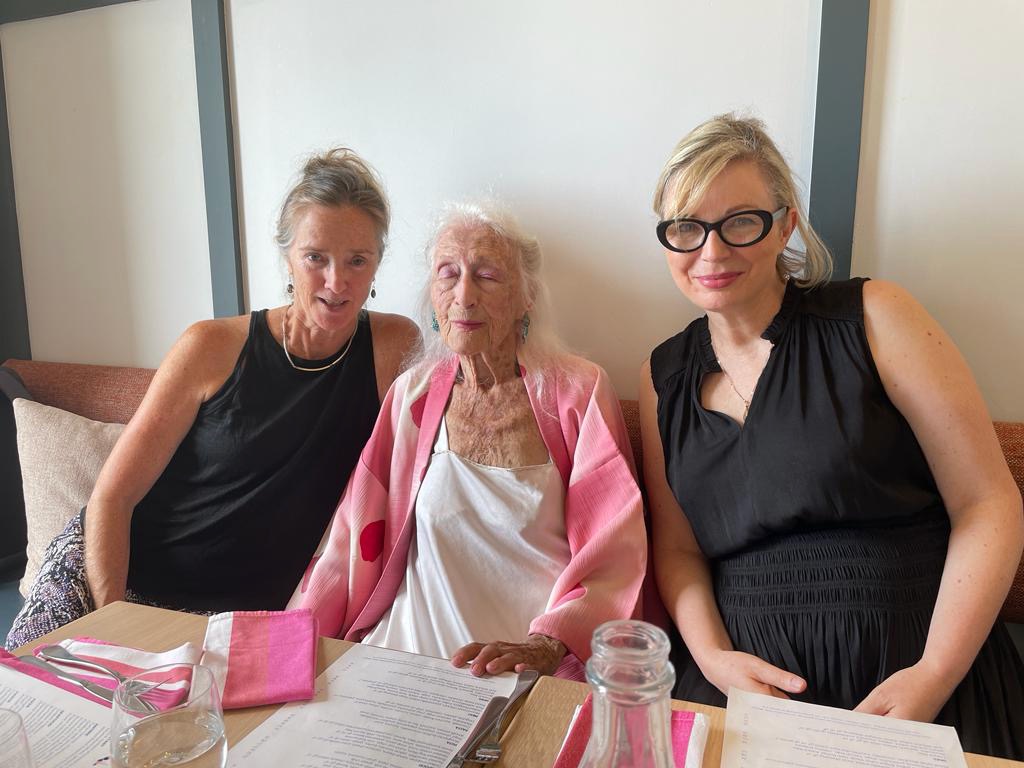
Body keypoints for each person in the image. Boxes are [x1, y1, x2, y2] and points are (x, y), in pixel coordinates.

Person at [640, 114, 1024, 759]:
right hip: (743, 689)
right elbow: (678, 551)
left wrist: (932, 675)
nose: (711, 251)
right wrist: (713, 658)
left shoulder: (874, 316)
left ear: (786, 223)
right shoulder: (663, 377)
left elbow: (988, 504)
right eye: (686, 228)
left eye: (741, 221)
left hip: (913, 671)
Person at [6, 148, 420, 649]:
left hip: (233, 625)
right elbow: (112, 499)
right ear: (287, 256)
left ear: (377, 265)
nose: (337, 281)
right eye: (316, 257)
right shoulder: (211, 347)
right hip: (111, 581)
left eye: (358, 260)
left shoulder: (393, 350)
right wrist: (113, 625)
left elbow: (440, 445)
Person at [290, 203, 646, 677]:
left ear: (526, 297)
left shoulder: (577, 393)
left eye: (487, 275)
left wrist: (549, 645)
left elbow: (614, 551)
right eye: (448, 274)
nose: (464, 295)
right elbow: (349, 546)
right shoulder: (410, 396)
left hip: (527, 670)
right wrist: (285, 651)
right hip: (402, 653)